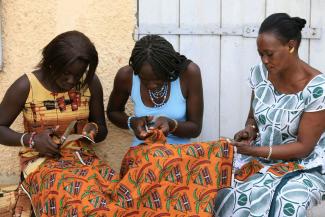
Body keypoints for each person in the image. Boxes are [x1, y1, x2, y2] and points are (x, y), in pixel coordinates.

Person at [214, 13, 325, 217]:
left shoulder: (317, 88)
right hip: (261, 157)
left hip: (305, 166)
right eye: (260, 54)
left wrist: (255, 152)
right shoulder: (260, 74)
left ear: (291, 46)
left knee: (287, 201)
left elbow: (304, 148)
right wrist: (250, 131)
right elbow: (252, 118)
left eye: (269, 54)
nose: (264, 60)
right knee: (222, 187)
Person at [0, 31, 120, 216]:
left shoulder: (90, 83)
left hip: (83, 160)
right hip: (41, 162)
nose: (72, 81)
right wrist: (31, 140)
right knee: (71, 196)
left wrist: (93, 130)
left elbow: (101, 129)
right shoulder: (26, 85)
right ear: (51, 63)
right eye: (66, 73)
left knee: (115, 190)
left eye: (78, 74)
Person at [107, 34, 203, 146]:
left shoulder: (189, 73)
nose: (152, 86)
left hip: (179, 155)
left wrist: (171, 125)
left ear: (168, 69)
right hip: (143, 153)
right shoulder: (126, 76)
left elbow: (195, 129)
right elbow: (113, 112)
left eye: (158, 79)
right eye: (144, 80)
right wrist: (132, 122)